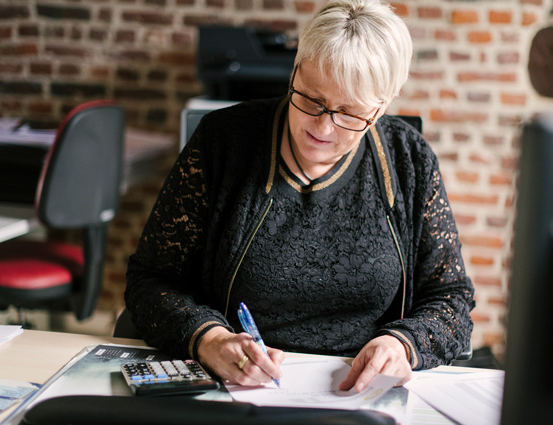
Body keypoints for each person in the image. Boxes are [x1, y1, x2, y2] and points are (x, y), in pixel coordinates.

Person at [125, 0, 475, 392]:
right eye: (311, 99)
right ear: (295, 69)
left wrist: (402, 344)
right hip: (238, 387)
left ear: (381, 108)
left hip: (357, 392)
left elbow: (452, 299)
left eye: (350, 114)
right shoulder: (222, 141)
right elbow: (150, 282)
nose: (324, 128)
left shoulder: (409, 160)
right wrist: (210, 339)